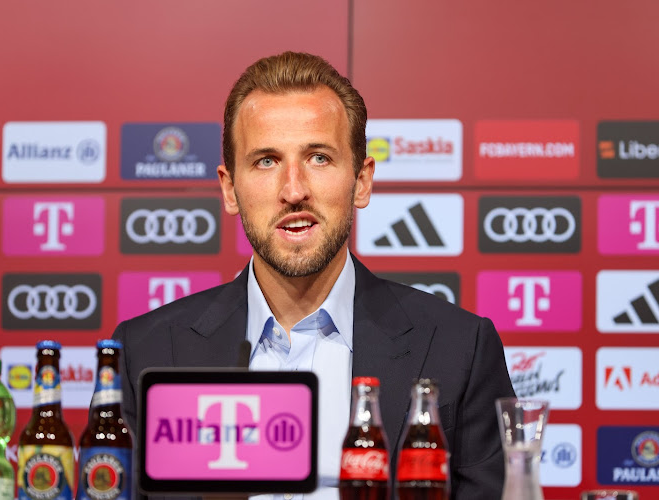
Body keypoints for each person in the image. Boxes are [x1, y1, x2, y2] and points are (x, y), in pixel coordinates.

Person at [113, 51, 515, 500]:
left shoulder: (459, 347)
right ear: (229, 189)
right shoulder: (146, 352)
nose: (294, 190)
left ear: (361, 181)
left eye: (319, 158)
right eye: (266, 161)